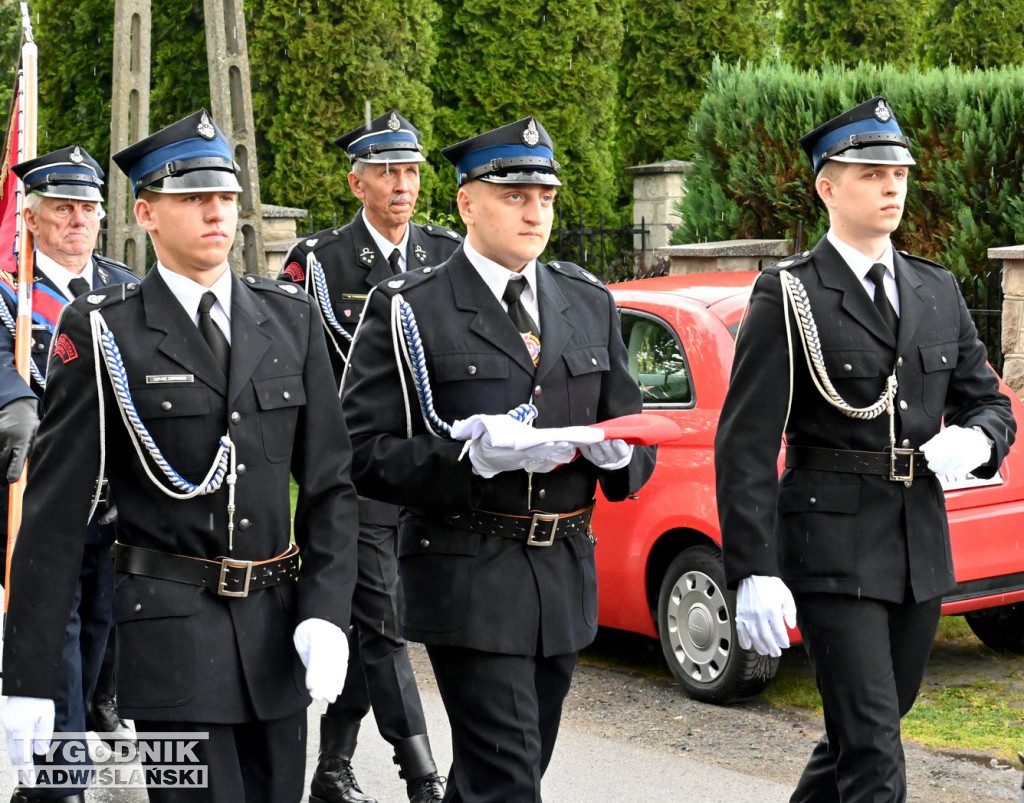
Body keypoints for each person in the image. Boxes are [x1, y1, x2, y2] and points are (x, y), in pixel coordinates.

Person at [2, 110, 359, 803]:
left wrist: (325, 608)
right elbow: (53, 513)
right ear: (146, 212)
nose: (215, 212)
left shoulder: (291, 318)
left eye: (224, 195)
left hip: (276, 636)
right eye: (193, 197)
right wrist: (31, 676)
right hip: (170, 639)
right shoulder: (106, 330)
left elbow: (330, 486)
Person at [341, 116, 656, 803]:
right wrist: (469, 461)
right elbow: (362, 453)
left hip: (563, 577)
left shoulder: (586, 300)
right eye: (515, 195)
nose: (535, 210)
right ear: (466, 202)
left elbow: (637, 445)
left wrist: (616, 455)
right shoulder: (412, 309)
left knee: (500, 774)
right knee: (509, 779)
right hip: (468, 576)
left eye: (545, 196)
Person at [714, 96, 1017, 802]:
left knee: (861, 733)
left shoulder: (934, 288)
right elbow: (746, 445)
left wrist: (975, 438)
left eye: (900, 174)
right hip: (831, 548)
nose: (891, 187)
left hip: (916, 546)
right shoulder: (789, 294)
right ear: (827, 187)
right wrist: (751, 568)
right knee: (877, 754)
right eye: (871, 172)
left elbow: (991, 402)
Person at [278, 109, 458, 803]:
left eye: (411, 170)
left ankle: (332, 765)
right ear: (357, 183)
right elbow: (295, 367)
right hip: (353, 470)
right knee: (383, 621)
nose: (402, 184)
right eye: (387, 171)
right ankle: (423, 776)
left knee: (372, 618)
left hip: (428, 468)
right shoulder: (319, 262)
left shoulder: (442, 254)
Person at [0, 145, 138, 803]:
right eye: (63, 209)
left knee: (98, 640)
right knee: (58, 639)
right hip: (46, 505)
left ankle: (56, 771)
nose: (79, 220)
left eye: (88, 208)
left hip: (119, 507)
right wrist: (15, 402)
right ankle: (62, 784)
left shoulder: (127, 288)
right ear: (31, 217)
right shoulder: (8, 292)